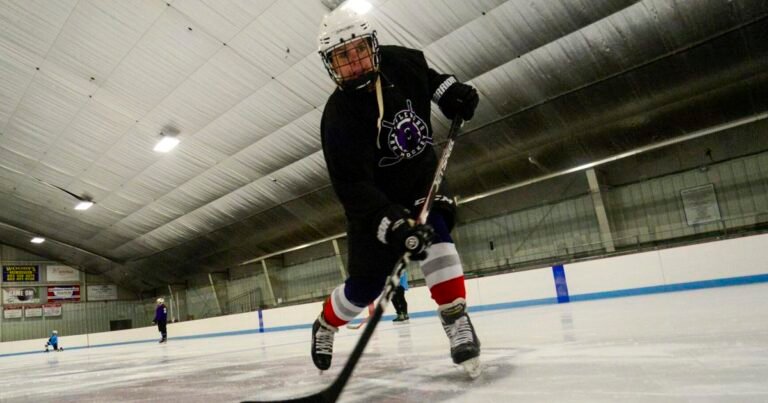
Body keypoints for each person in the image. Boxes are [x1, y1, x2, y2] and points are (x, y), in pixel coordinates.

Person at [311, 5, 481, 376]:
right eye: (342, 55)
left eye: (357, 50)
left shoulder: (400, 62)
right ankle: (325, 324)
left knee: (436, 230)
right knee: (364, 288)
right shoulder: (337, 118)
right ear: (330, 62)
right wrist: (393, 223)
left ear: (371, 44)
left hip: (419, 179)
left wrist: (453, 94)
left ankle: (456, 320)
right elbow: (352, 187)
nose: (353, 62)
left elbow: (433, 80)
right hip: (375, 203)